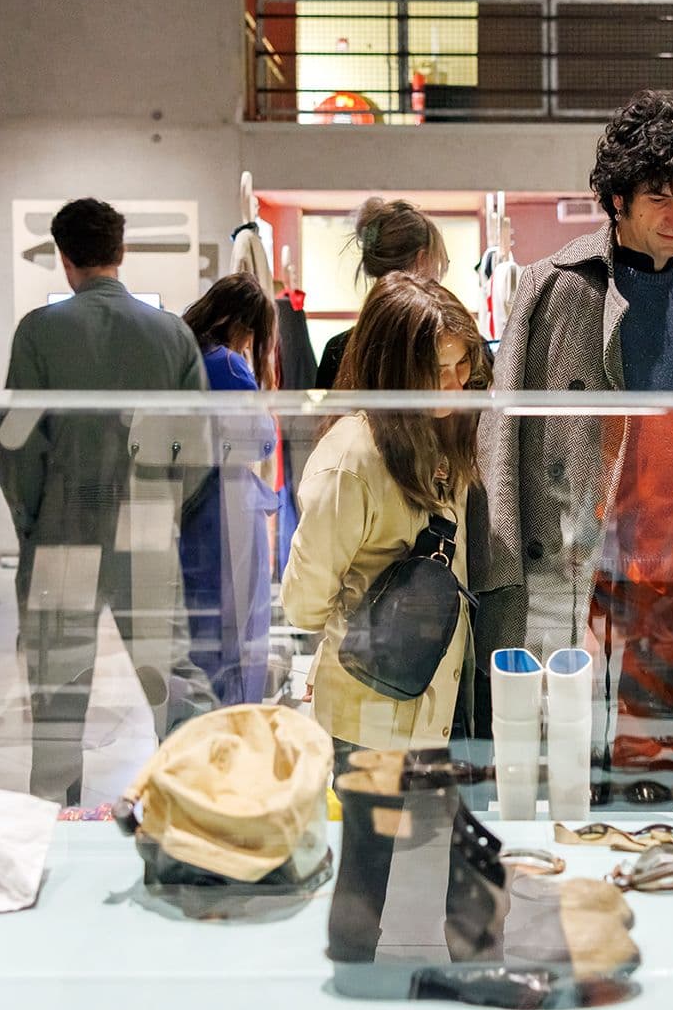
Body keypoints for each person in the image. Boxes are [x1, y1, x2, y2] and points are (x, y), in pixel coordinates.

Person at [478, 90, 673, 801]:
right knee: (556, 765)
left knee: (654, 771)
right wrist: (499, 569)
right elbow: (502, 433)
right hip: (572, 558)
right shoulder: (555, 287)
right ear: (617, 197)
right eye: (660, 196)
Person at [0, 197, 212, 804]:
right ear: (121, 251)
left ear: (64, 259)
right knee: (170, 681)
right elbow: (197, 447)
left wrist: (35, 520)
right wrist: (164, 509)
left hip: (63, 535)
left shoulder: (39, 331)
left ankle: (54, 834)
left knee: (57, 696)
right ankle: (198, 812)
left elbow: (17, 444)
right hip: (145, 533)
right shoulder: (171, 333)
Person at [282, 272, 486, 753]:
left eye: (463, 366)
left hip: (440, 701)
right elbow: (303, 603)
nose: (455, 386)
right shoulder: (351, 460)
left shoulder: (445, 434)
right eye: (439, 369)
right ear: (395, 370)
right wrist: (347, 632)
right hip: (370, 714)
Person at [177, 272, 280, 706]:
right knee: (239, 640)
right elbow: (261, 439)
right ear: (248, 325)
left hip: (188, 515)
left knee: (198, 639)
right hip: (229, 511)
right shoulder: (227, 364)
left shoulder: (181, 354)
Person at [315, 198, 451, 391]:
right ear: (422, 261)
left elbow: (326, 420)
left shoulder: (337, 349)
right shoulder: (449, 347)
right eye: (439, 265)